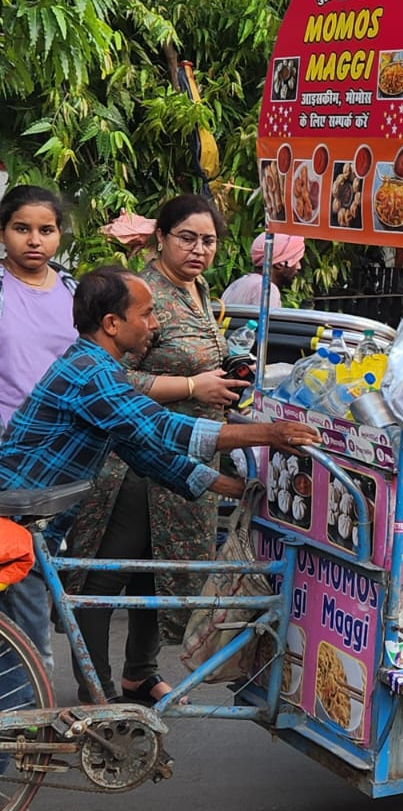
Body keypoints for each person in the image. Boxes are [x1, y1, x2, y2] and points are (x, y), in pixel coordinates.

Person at [0, 267, 316, 804]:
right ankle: (11, 776)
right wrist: (269, 433)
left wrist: (230, 487)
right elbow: (164, 428)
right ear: (111, 323)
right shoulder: (91, 374)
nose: (154, 324)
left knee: (33, 648)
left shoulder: (99, 369)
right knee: (26, 661)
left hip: (35, 519)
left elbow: (144, 450)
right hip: (16, 524)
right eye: (146, 315)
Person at [67, 195, 245, 702]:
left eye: (208, 240)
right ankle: (95, 690)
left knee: (158, 574)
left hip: (191, 456)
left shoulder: (197, 290)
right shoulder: (142, 295)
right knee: (107, 575)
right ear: (161, 237)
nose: (199, 249)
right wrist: (192, 389)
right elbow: (112, 379)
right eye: (187, 237)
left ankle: (139, 675)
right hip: (136, 459)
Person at [0, 185, 79, 676]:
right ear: (3, 232)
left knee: (37, 575)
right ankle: (32, 701)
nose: (35, 240)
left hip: (62, 457)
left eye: (46, 230)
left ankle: (28, 697)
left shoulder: (74, 291)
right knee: (22, 575)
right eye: (21, 228)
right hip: (7, 455)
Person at [221, 232, 307, 310]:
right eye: (296, 261)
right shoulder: (266, 289)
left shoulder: (238, 284)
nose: (299, 267)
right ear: (279, 264)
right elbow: (267, 326)